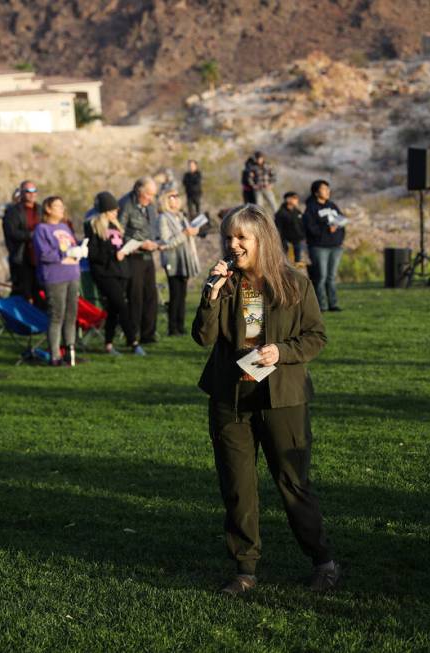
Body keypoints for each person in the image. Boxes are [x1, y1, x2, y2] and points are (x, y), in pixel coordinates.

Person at [193, 204, 340, 596]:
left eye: (241, 237)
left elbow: (315, 336)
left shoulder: (295, 283)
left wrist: (283, 352)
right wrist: (211, 294)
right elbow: (204, 337)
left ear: (262, 240)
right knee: (238, 486)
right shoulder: (226, 285)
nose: (233, 244)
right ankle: (245, 569)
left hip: (282, 397)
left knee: (292, 483)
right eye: (228, 238)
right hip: (232, 397)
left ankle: (323, 561)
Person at [87, 192, 138, 355]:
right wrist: (112, 254)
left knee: (114, 309)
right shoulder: (93, 226)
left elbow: (119, 246)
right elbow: (93, 253)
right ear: (105, 210)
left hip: (120, 271)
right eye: (113, 209)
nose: (117, 212)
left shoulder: (116, 226)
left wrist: (126, 250)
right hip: (104, 273)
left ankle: (108, 344)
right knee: (122, 306)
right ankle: (133, 342)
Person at [33, 196, 82, 365]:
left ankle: (70, 351)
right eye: (58, 206)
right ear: (48, 208)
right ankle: (55, 355)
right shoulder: (42, 229)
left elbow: (71, 246)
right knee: (56, 315)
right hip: (55, 277)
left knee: (71, 315)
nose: (62, 209)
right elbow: (44, 254)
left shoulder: (64, 227)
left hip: (72, 274)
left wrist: (80, 250)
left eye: (63, 205)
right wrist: (65, 254)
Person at [118, 177, 161, 345]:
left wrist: (154, 242)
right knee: (135, 296)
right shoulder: (125, 204)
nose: (151, 198)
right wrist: (141, 244)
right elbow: (118, 232)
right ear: (139, 191)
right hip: (132, 256)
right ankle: (132, 334)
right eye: (149, 194)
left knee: (151, 295)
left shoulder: (150, 206)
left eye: (153, 195)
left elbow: (152, 228)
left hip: (148, 255)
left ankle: (148, 334)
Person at [157, 189, 200, 337]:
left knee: (182, 295)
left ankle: (180, 327)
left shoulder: (181, 216)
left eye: (177, 196)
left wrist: (193, 232)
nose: (176, 199)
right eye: (172, 196)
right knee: (175, 295)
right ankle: (172, 328)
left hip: (185, 260)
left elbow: (187, 235)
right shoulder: (163, 218)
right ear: (166, 200)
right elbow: (165, 242)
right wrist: (185, 234)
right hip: (173, 261)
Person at [302, 180, 345, 312]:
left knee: (331, 277)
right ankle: (321, 305)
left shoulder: (333, 206)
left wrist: (339, 236)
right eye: (324, 189)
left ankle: (333, 304)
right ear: (316, 192)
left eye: (328, 189)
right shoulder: (311, 208)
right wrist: (326, 230)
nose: (327, 191)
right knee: (321, 277)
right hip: (319, 247)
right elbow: (310, 228)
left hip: (335, 246)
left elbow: (341, 220)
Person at [3, 180, 41, 301]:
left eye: (34, 191)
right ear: (22, 193)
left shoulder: (41, 209)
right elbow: (11, 232)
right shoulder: (13, 211)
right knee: (22, 291)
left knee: (39, 290)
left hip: (40, 256)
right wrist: (31, 235)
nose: (32, 194)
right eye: (28, 191)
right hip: (21, 257)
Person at [274, 192, 306, 264]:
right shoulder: (280, 213)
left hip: (298, 241)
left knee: (298, 263)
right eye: (294, 198)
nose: (296, 200)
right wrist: (281, 242)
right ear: (288, 199)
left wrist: (303, 235)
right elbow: (278, 229)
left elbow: (302, 225)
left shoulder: (297, 212)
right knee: (285, 263)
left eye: (297, 198)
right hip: (285, 243)